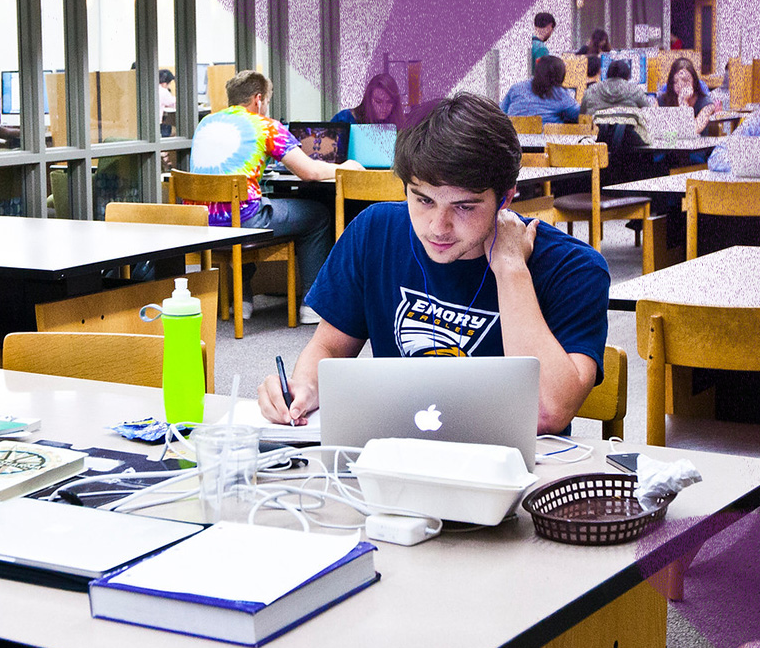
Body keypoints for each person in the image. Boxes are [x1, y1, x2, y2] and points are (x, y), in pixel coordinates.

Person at [257, 93, 609, 433]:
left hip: (517, 473)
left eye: (464, 207)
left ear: (505, 198)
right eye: (423, 200)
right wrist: (305, 386)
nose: (437, 228)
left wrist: (511, 268)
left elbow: (545, 413)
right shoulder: (375, 230)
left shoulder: (573, 268)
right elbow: (329, 347)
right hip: (398, 451)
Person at [190, 70, 356, 322]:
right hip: (242, 221)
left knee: (239, 211)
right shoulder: (266, 126)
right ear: (258, 99)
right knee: (319, 215)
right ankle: (312, 305)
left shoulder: (206, 123)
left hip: (201, 222)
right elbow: (310, 171)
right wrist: (347, 167)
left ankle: (242, 301)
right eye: (266, 101)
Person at [501, 54, 581, 124]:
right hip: (546, 139)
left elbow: (501, 111)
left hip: (514, 138)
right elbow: (579, 116)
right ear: (560, 75)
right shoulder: (560, 94)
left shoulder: (517, 88)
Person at [659, 56, 718, 134]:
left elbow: (692, 131)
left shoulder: (707, 105)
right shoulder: (661, 100)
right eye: (675, 81)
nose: (680, 85)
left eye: (685, 80)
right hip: (669, 144)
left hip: (697, 145)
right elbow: (653, 128)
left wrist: (683, 101)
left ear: (694, 81)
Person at [580, 58, 653, 119]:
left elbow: (582, 116)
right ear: (627, 76)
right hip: (628, 135)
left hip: (597, 134)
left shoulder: (591, 90)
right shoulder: (635, 90)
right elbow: (648, 114)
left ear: (607, 74)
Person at [332, 72, 402, 126]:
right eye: (378, 102)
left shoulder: (399, 125)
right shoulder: (345, 119)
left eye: (389, 102)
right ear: (368, 100)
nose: (384, 107)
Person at [158, 68, 178, 137]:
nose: (169, 86)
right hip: (158, 127)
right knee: (175, 130)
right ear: (164, 83)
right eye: (169, 84)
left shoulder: (154, 88)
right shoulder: (163, 91)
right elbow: (175, 104)